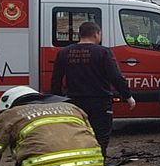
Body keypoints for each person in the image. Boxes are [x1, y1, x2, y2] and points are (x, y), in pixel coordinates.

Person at [51, 21, 135, 156]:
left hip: (74, 103)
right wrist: (128, 96)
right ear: (96, 34)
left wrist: (56, 100)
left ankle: (80, 164)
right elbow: (115, 77)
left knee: (77, 135)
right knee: (100, 137)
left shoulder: (64, 53)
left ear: (80, 34)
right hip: (100, 103)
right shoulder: (103, 52)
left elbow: (56, 80)